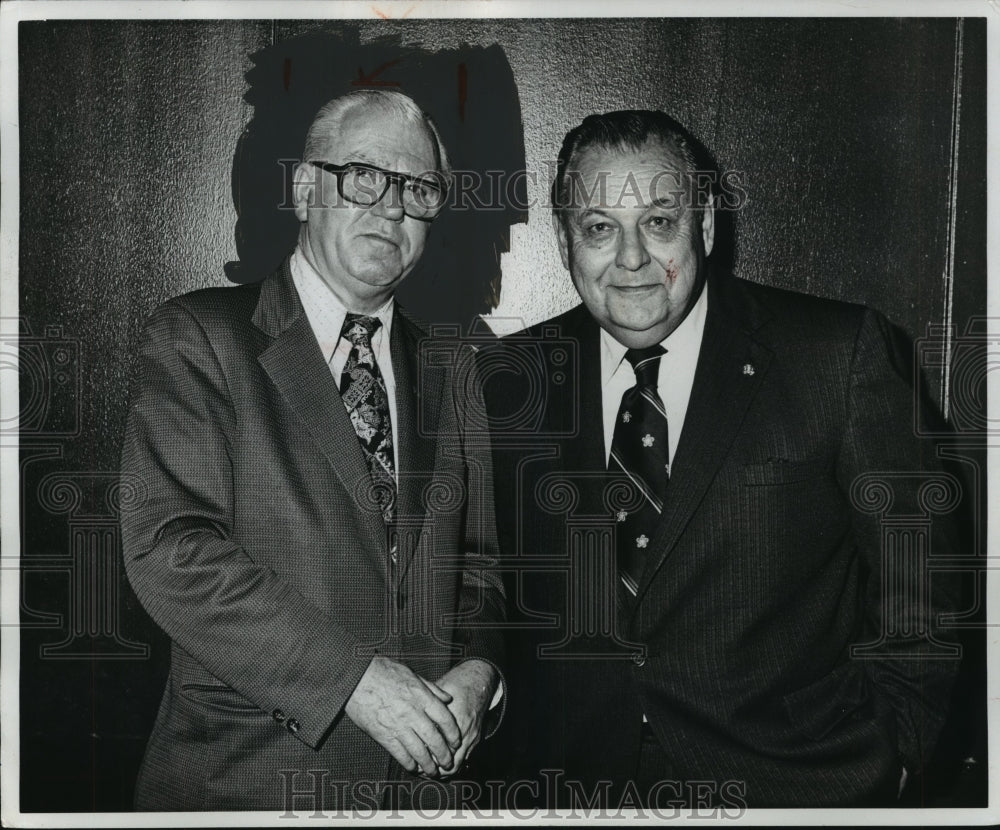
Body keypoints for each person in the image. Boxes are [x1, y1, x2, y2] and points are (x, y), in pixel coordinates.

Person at [479, 109, 959, 808]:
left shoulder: (836, 355)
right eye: (600, 228)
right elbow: (477, 578)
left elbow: (926, 584)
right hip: (567, 787)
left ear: (704, 226)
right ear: (564, 242)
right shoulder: (508, 382)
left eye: (660, 222)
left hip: (791, 786)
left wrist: (897, 754)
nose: (633, 257)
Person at [120, 89, 505, 812]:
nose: (391, 206)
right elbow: (172, 549)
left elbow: (481, 565)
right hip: (247, 784)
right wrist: (356, 681)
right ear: (304, 187)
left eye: (418, 188)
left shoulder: (455, 368)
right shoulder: (200, 337)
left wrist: (481, 670)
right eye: (364, 173)